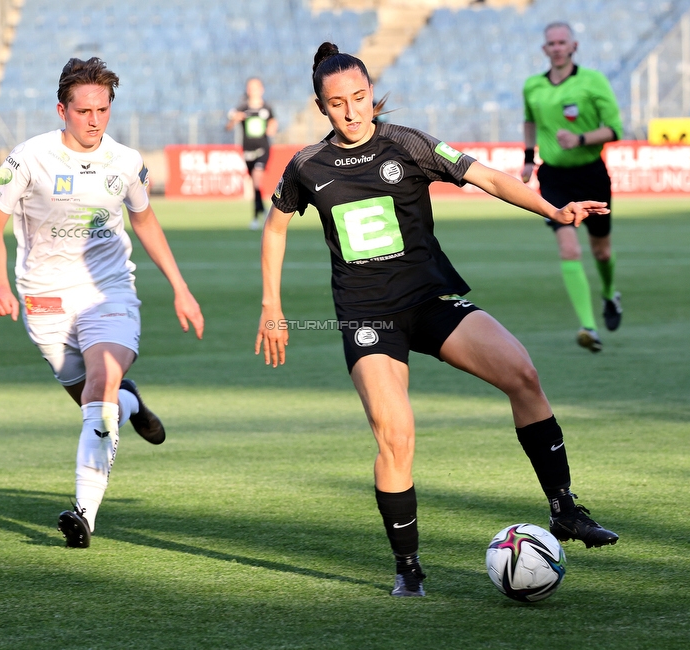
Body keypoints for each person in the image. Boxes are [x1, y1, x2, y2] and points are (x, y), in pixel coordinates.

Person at [256, 43, 618, 598]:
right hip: (367, 317)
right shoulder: (308, 165)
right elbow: (276, 227)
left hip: (429, 301)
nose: (352, 112)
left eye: (359, 98)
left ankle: (564, 510)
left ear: (372, 94)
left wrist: (554, 209)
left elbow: (490, 178)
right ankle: (408, 567)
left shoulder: (409, 143)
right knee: (395, 433)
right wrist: (272, 308)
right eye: (337, 104)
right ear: (320, 107)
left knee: (522, 373)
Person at [0, 57, 204, 548]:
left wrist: (180, 287)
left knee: (99, 387)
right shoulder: (28, 159)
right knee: (93, 401)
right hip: (44, 299)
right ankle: (130, 402)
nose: (95, 120)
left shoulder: (124, 162)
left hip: (108, 291)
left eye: (102, 110)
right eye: (84, 111)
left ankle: (84, 515)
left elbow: (145, 221)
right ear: (62, 109)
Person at [521, 21, 623, 353]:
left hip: (591, 174)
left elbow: (615, 129)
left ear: (573, 46)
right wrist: (527, 158)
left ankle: (610, 294)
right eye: (551, 43)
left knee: (601, 251)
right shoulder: (533, 86)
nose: (557, 47)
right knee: (569, 249)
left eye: (562, 42)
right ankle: (588, 327)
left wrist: (579, 138)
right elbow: (529, 121)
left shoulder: (593, 81)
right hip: (553, 178)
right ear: (544, 49)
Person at [226, 77, 278, 229]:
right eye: (250, 87)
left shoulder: (266, 108)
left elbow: (273, 123)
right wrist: (235, 119)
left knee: (257, 179)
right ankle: (261, 210)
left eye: (255, 87)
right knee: (255, 185)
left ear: (261, 89)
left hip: (263, 148)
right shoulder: (242, 108)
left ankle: (256, 217)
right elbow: (228, 125)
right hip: (247, 150)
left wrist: (272, 127)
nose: (253, 90)